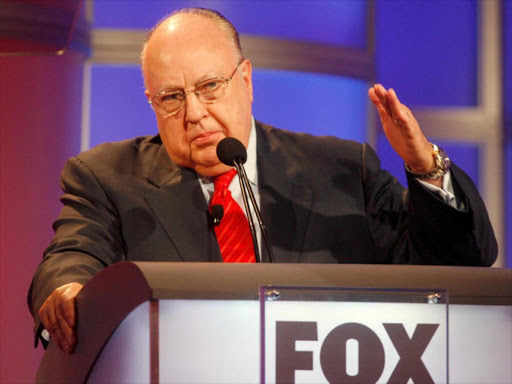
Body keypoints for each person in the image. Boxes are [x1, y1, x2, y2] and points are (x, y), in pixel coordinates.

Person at [28, 8, 497, 354]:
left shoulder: (341, 169)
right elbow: (73, 254)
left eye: (210, 87)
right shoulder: (107, 176)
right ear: (152, 101)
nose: (194, 114)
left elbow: (459, 264)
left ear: (246, 81)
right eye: (171, 97)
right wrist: (67, 291)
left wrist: (426, 168)